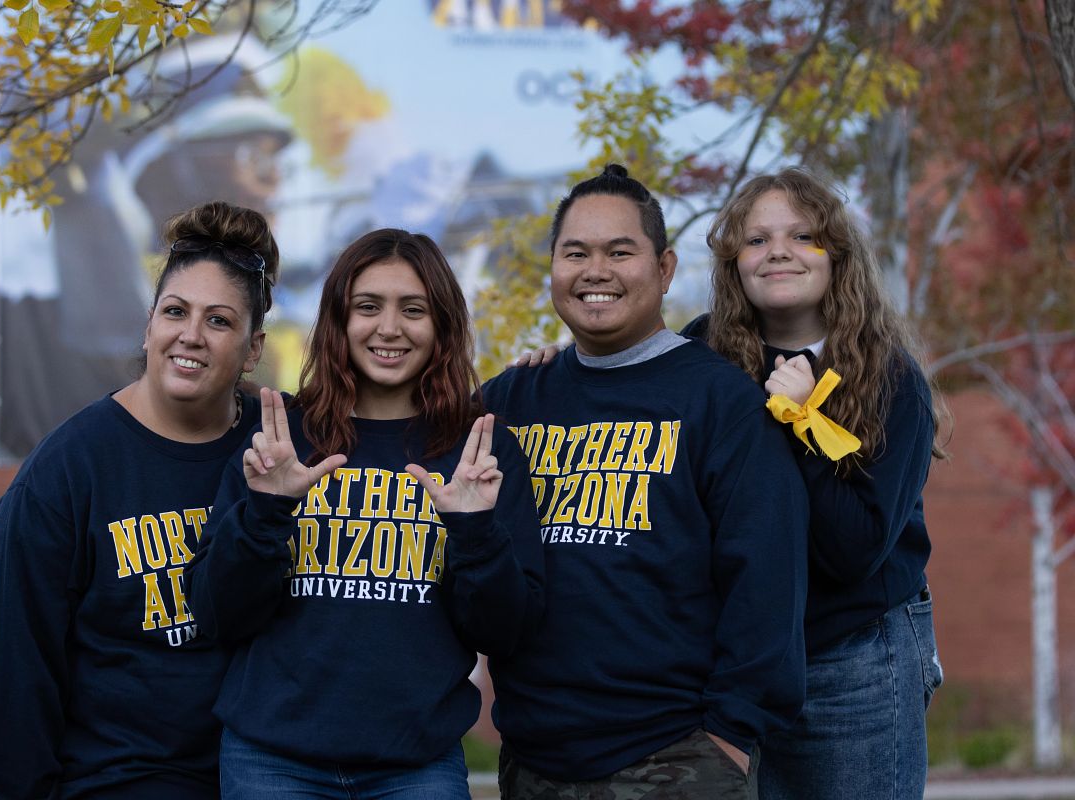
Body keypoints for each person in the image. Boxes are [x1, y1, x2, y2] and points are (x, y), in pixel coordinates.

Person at [482, 163, 809, 799]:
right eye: (575, 253)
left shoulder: (722, 403)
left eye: (619, 252)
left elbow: (767, 583)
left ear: (663, 269)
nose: (595, 271)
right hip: (534, 757)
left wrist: (730, 737)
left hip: (678, 756)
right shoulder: (509, 401)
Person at [185, 228, 545, 799]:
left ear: (442, 324)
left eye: (413, 309)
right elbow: (218, 615)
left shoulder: (479, 451)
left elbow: (505, 633)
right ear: (339, 319)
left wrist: (475, 532)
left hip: (417, 767)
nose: (389, 328)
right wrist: (265, 514)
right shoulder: (281, 439)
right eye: (368, 306)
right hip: (272, 763)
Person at [0, 200, 277, 799]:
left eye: (219, 321)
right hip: (119, 780)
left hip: (264, 776)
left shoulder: (279, 446)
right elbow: (17, 666)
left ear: (253, 348)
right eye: (175, 311)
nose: (191, 335)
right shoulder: (65, 472)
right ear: (149, 324)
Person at [683, 167, 945, 799]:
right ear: (734, 263)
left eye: (803, 236)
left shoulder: (890, 379)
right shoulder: (702, 355)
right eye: (757, 240)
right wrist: (557, 364)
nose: (778, 251)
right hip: (732, 659)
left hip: (852, 653)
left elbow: (853, 550)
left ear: (838, 255)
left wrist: (803, 421)